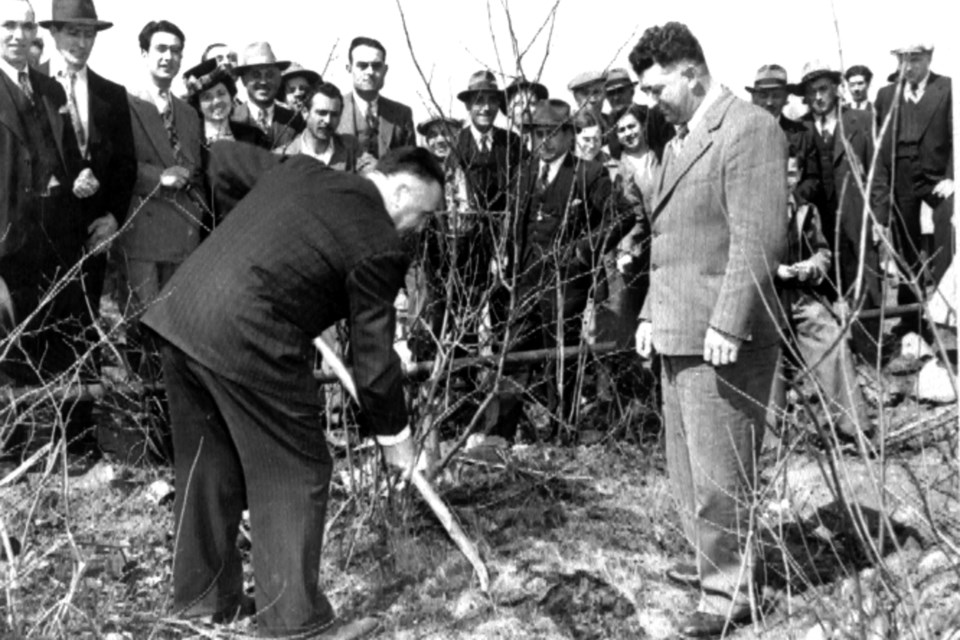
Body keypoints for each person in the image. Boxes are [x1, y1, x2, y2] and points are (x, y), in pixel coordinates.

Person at [141, 144, 443, 638]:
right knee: (297, 469)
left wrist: (249, 240)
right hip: (249, 337)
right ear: (401, 189)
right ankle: (294, 625)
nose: (420, 227)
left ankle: (202, 604)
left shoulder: (302, 169)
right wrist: (396, 438)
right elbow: (373, 363)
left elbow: (220, 160)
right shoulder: (380, 242)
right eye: (423, 214)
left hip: (184, 312)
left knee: (208, 463)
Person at [631, 22, 786, 636]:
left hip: (722, 338)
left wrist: (729, 320)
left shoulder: (749, 129)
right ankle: (708, 564)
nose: (649, 101)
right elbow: (670, 242)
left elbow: (758, 235)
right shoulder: (677, 140)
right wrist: (648, 314)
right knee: (689, 466)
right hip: (677, 331)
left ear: (690, 73)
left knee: (723, 468)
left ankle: (728, 594)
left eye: (655, 87)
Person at [484, 99, 617, 441]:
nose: (544, 141)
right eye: (537, 133)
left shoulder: (589, 174)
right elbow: (512, 221)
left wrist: (581, 252)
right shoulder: (525, 173)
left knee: (562, 358)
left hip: (566, 285)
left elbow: (622, 215)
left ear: (570, 136)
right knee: (512, 355)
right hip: (524, 282)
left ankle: (564, 431)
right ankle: (499, 436)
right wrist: (503, 254)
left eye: (552, 134)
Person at [40, 0, 137, 452]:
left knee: (84, 323)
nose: (81, 43)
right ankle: (36, 434)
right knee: (39, 326)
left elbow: (126, 168)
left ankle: (79, 437)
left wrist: (113, 216)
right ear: (55, 35)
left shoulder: (111, 95)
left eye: (88, 34)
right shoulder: (34, 88)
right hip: (42, 235)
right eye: (72, 33)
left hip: (94, 235)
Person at [0, 0, 83, 393]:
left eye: (27, 26)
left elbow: (59, 156)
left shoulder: (49, 89)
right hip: (2, 240)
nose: (18, 35)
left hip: (44, 243)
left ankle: (29, 444)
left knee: (33, 348)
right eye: (8, 25)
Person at [117, 19, 204, 372]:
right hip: (143, 234)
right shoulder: (123, 102)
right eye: (161, 49)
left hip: (183, 234)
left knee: (177, 331)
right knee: (142, 328)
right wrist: (160, 178)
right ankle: (144, 416)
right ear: (143, 53)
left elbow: (196, 166)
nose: (169, 57)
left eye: (176, 51)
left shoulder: (187, 112)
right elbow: (118, 167)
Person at [774, 157, 873, 444]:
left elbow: (822, 251)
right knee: (767, 354)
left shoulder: (807, 210)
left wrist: (812, 266)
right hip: (767, 296)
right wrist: (773, 268)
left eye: (792, 173)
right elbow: (747, 253)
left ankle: (853, 428)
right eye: (781, 173)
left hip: (801, 295)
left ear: (800, 174)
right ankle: (773, 441)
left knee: (833, 338)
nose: (786, 180)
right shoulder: (759, 209)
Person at [793, 60, 883, 362]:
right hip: (818, 223)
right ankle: (837, 361)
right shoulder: (802, 128)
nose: (818, 97)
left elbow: (878, 175)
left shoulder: (860, 121)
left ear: (836, 89)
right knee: (825, 289)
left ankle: (870, 354)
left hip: (855, 219)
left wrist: (878, 221)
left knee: (862, 283)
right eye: (811, 92)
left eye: (823, 90)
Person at [871, 41, 953, 338]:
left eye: (915, 60)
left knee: (947, 239)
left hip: (937, 180)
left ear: (929, 58)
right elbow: (879, 151)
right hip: (901, 178)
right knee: (906, 249)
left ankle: (948, 317)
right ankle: (911, 319)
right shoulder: (886, 96)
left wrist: (952, 176)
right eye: (903, 60)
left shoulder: (947, 88)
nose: (908, 67)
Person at [336, 36, 414, 159]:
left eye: (376, 66)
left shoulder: (402, 114)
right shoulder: (334, 110)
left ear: (385, 70)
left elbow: (410, 165)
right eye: (362, 65)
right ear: (349, 68)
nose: (370, 72)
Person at [276, 81, 368, 173]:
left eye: (334, 114)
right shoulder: (284, 157)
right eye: (321, 113)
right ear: (305, 112)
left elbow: (369, 167)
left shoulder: (349, 147)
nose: (328, 120)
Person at [231, 41, 304, 149]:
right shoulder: (231, 119)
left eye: (270, 75)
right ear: (244, 80)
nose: (263, 81)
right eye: (256, 75)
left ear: (279, 79)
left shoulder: (294, 121)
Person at [182, 58, 268, 148]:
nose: (217, 101)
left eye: (221, 93)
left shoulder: (254, 138)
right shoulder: (186, 143)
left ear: (230, 96)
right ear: (198, 105)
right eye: (207, 97)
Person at [745, 63, 806, 159]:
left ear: (785, 98)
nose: (769, 102)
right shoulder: (743, 134)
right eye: (763, 96)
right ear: (754, 99)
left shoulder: (799, 135)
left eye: (776, 96)